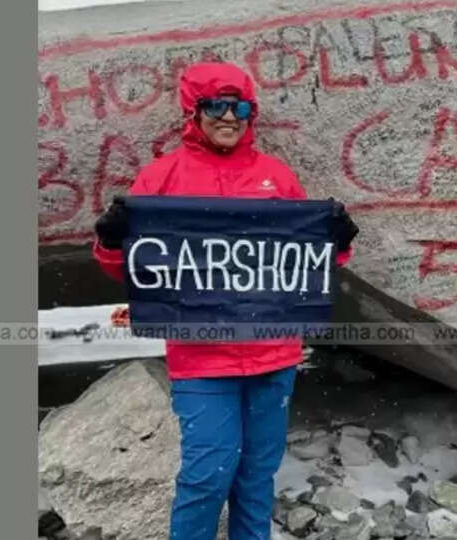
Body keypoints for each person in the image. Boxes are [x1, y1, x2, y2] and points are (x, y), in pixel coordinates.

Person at [91, 62, 357, 540]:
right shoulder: (160, 179)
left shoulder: (277, 176)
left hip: (273, 355)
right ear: (194, 111)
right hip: (201, 359)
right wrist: (111, 242)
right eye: (217, 105)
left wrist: (336, 243)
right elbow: (126, 269)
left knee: (256, 479)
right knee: (206, 476)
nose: (230, 117)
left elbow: (304, 268)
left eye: (241, 107)